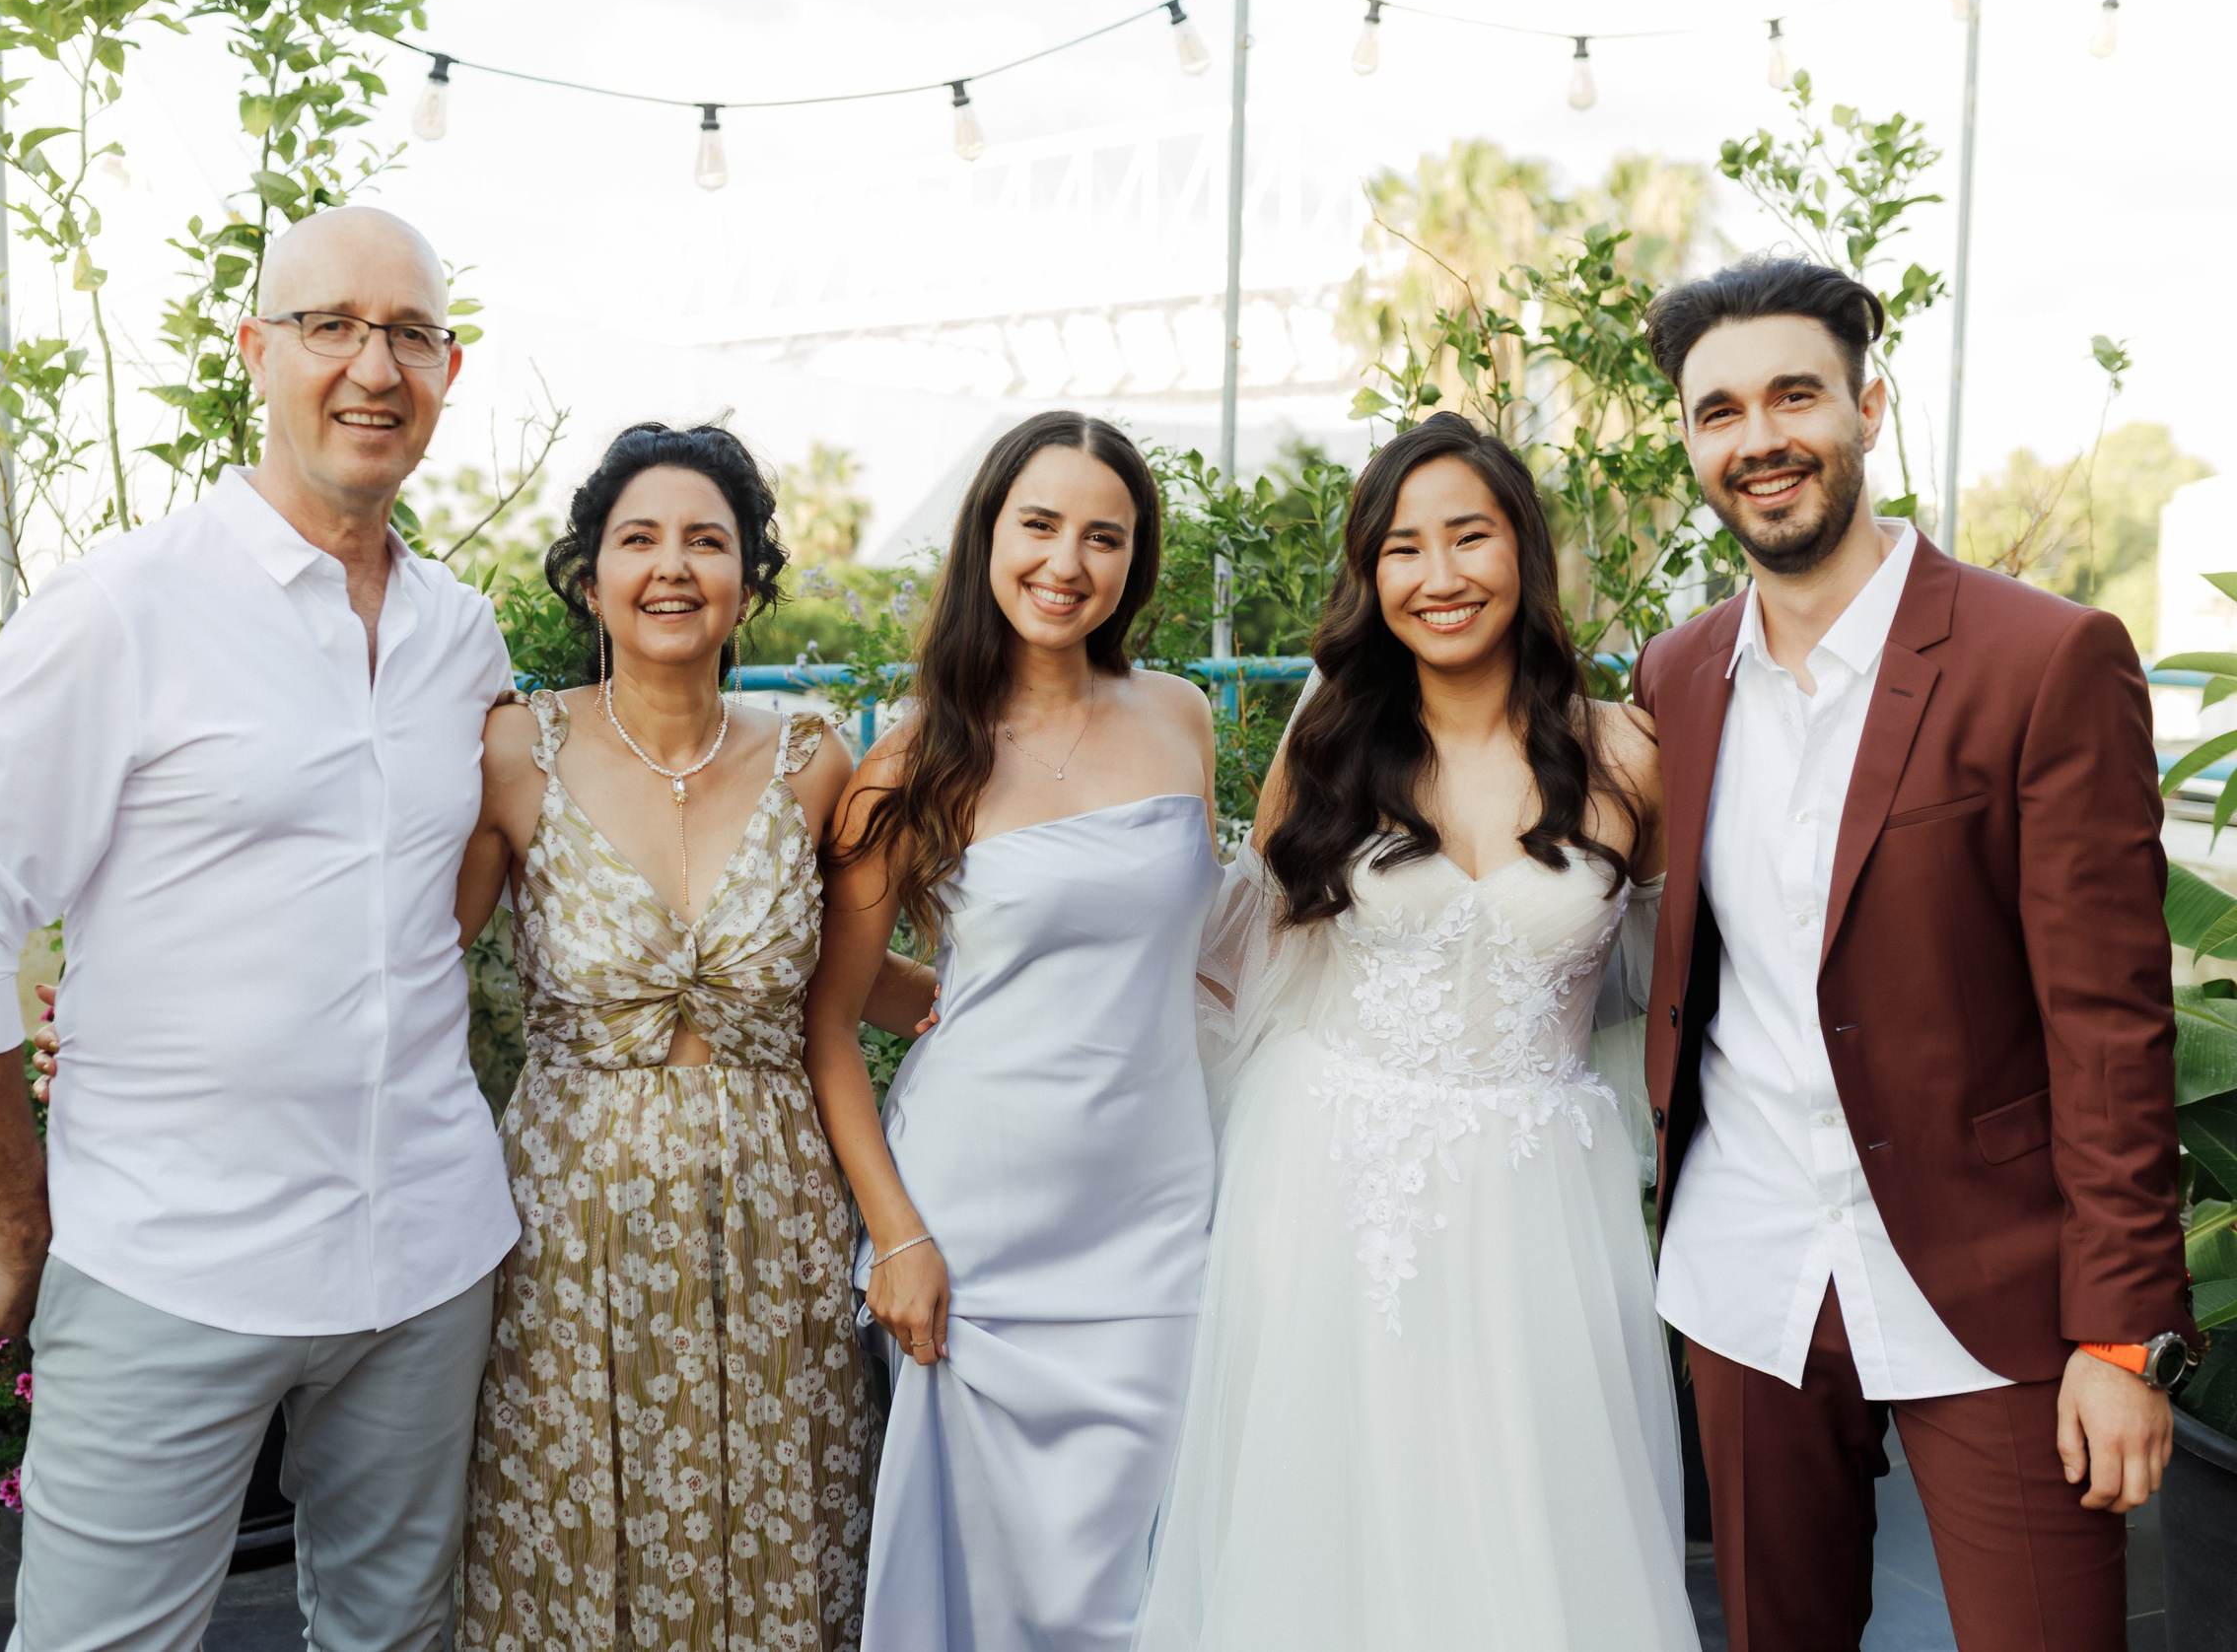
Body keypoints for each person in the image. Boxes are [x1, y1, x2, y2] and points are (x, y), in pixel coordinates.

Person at [0, 207, 516, 1650]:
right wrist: (21, 1218)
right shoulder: (120, 612)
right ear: (256, 355)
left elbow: (456, 883)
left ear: (449, 369)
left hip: (424, 1256)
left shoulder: (461, 634)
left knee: (394, 1634)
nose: (374, 366)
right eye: (331, 326)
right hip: (169, 1264)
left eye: (410, 333)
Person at [1635, 255, 2195, 1652]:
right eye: (1719, 412)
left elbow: (2111, 1022)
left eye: (1793, 395)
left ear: (1867, 407)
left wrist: (2125, 1338)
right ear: (1693, 443)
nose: (1758, 437)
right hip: (1747, 1271)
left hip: (1999, 1289)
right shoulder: (1676, 677)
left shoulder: (2043, 657)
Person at [1135, 411, 1696, 1649]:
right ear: (1369, 574)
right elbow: (1242, 974)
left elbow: (1669, 982)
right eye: (1402, 547)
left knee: (1535, 1512)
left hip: (1543, 1196)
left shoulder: (1624, 757)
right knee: (1336, 1512)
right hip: (1335, 1183)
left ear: (1523, 552)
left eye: (1468, 536)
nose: (1438, 576)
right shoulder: (1326, 741)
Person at [442, 422, 935, 1652]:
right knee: (568, 1528)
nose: (673, 567)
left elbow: (857, 984)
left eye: (706, 541)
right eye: (639, 539)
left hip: (778, 1217)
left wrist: (1057, 1006)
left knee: (781, 1533)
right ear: (591, 573)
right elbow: (400, 963)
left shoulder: (817, 757)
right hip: (568, 1224)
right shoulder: (515, 750)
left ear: (749, 579)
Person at [804, 411, 1220, 1651]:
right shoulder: (912, 758)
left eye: (1104, 535)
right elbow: (832, 1018)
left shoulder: (1182, 715)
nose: (1066, 562)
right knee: (986, 1587)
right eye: (1038, 524)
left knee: (1149, 1579)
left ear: (1133, 559)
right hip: (973, 1233)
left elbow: (1170, 952)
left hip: (1155, 1214)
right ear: (988, 532)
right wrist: (899, 1233)